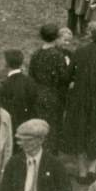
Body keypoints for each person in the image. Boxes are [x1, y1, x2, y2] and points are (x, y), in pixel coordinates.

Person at [64, 20, 96, 184]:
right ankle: (92, 169)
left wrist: (75, 82)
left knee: (80, 131)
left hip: (79, 100)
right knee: (95, 133)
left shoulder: (79, 52)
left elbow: (68, 75)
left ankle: (82, 171)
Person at [29, 25, 70, 155]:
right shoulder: (58, 56)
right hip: (53, 95)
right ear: (56, 37)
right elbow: (64, 78)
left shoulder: (36, 54)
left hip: (37, 94)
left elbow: (31, 74)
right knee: (52, 128)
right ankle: (49, 155)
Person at [0, 50, 38, 135]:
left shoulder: (4, 84)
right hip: (26, 125)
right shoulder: (30, 81)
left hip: (10, 126)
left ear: (7, 65)